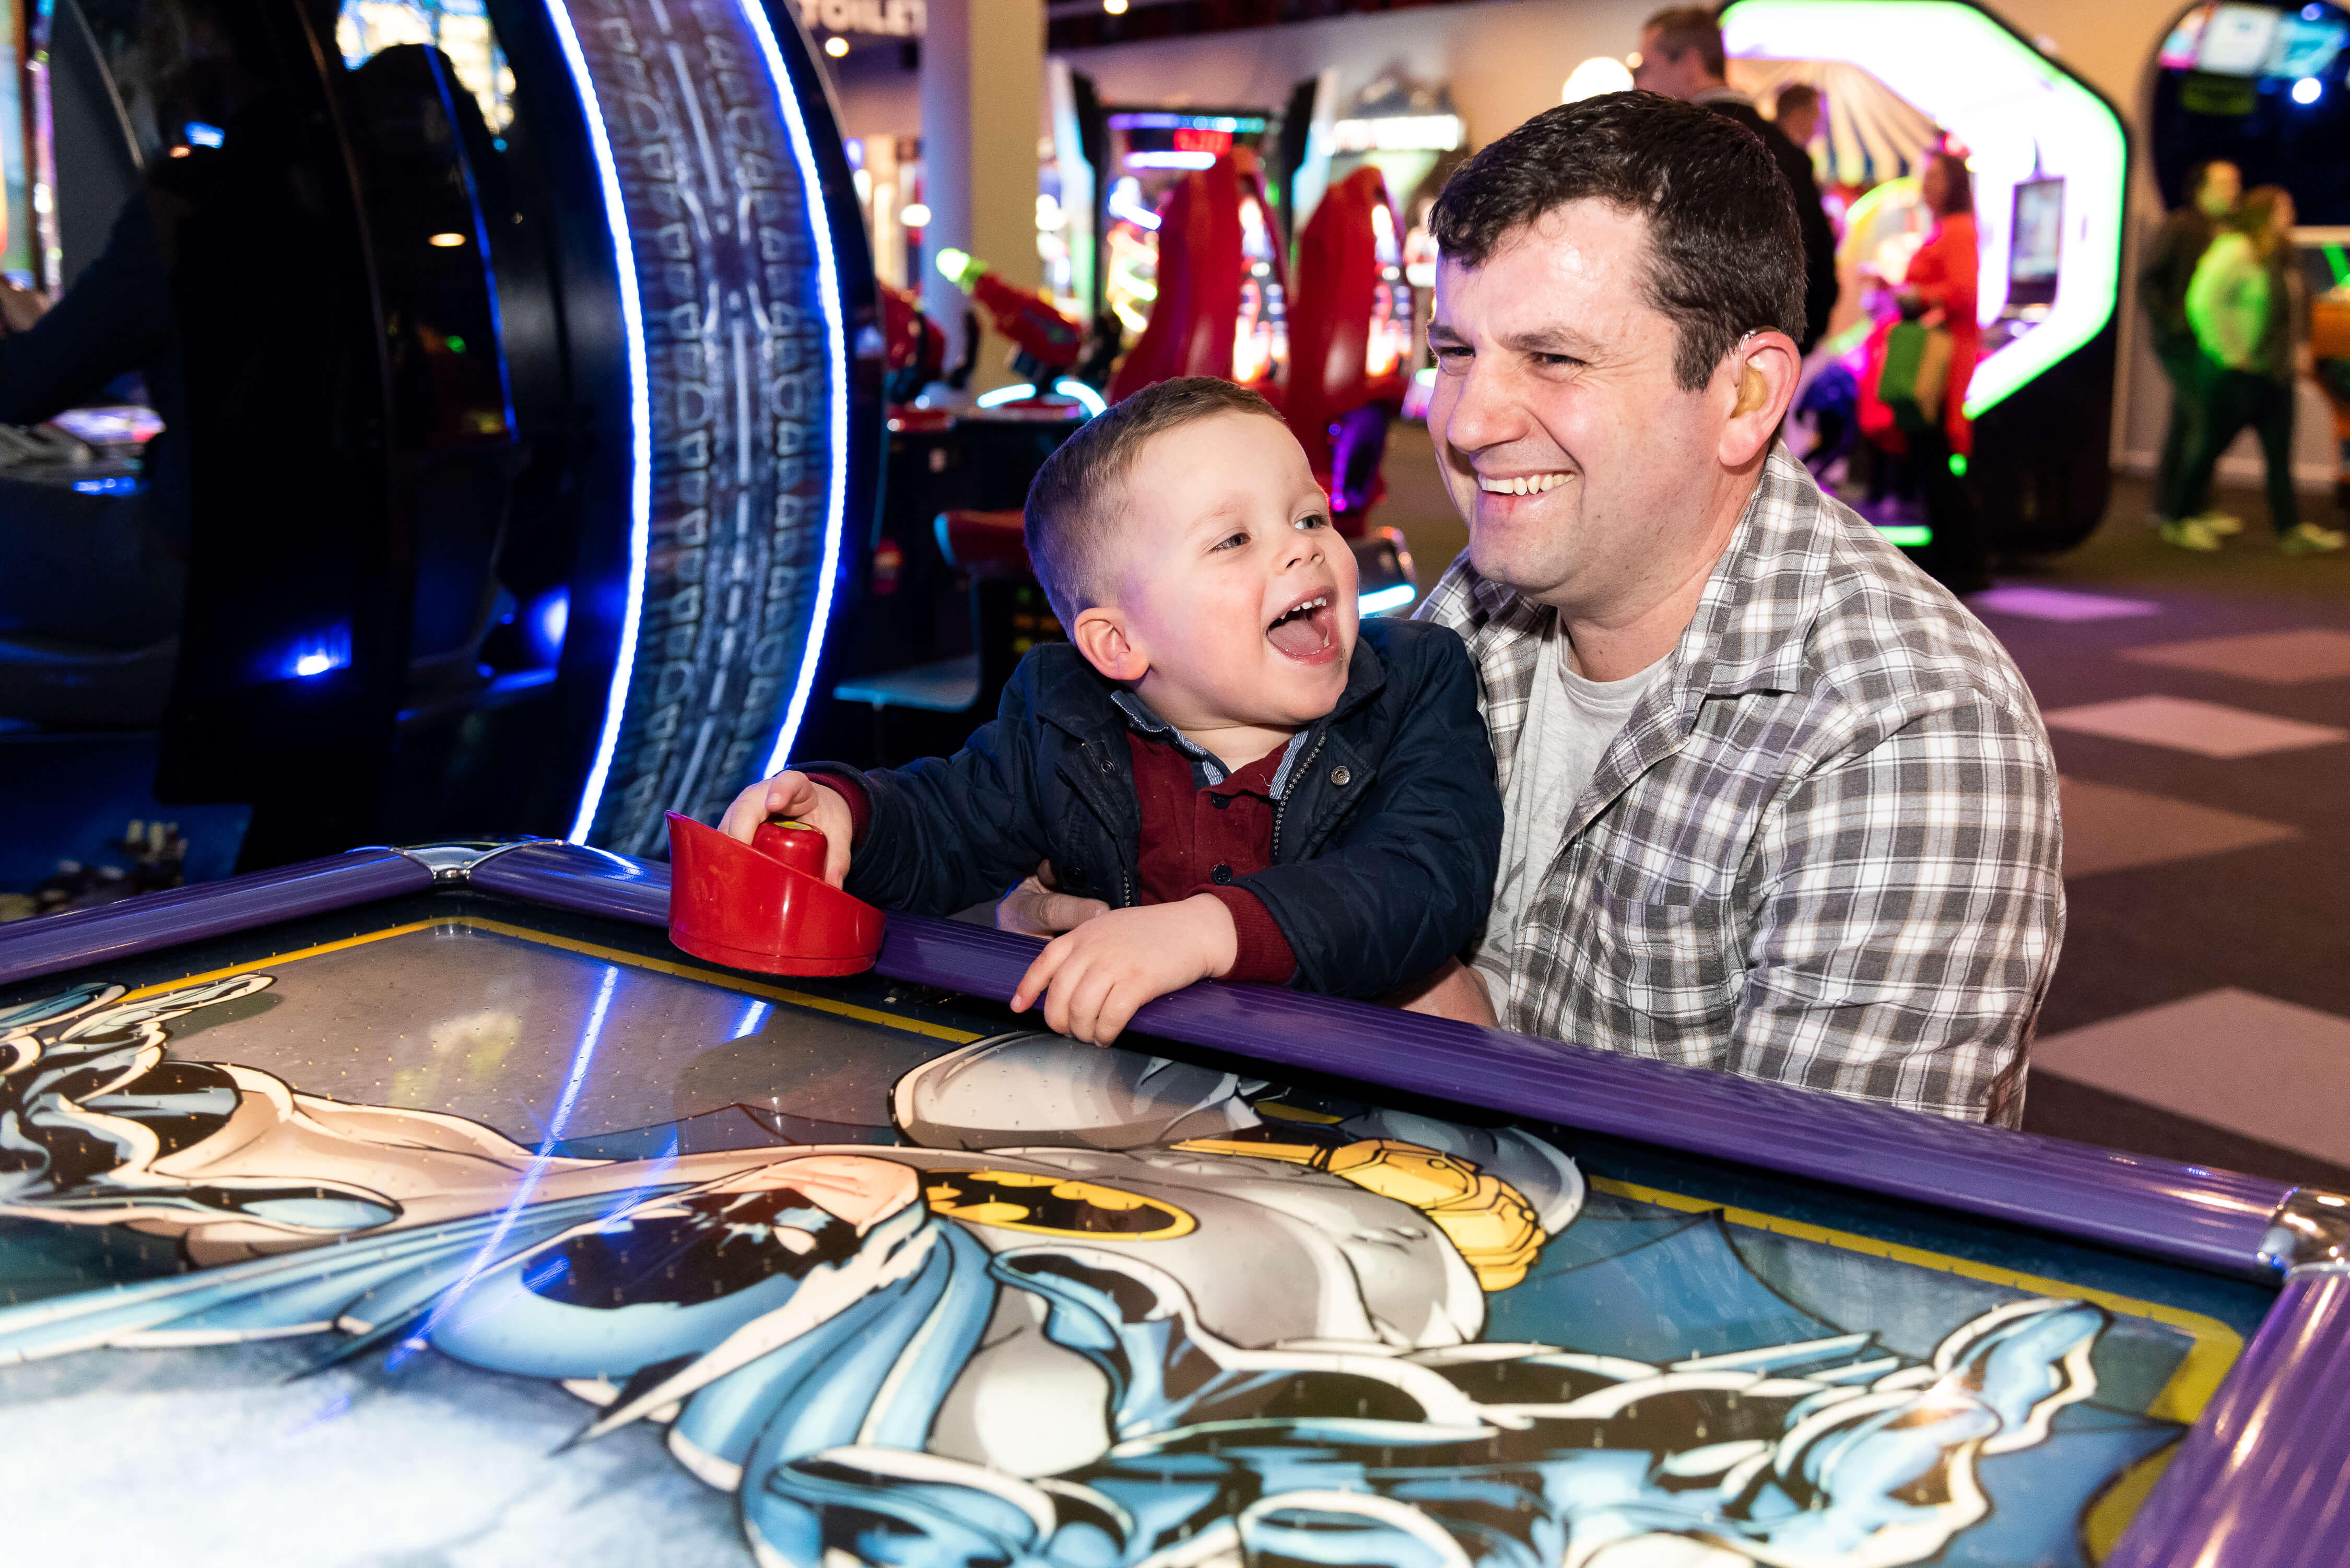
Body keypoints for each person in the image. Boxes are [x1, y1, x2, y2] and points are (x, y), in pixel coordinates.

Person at [1406, 93, 2062, 1126]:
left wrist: (1415, 1009)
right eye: (1455, 352)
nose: (1468, 421)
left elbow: (1813, 1234)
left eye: (1555, 358)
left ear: (1747, 397)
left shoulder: (1906, 718)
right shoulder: (1484, 604)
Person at [719, 377, 1502, 1045]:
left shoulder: (1414, 683)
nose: (1303, 549)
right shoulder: (1064, 717)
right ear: (1118, 642)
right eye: (1233, 539)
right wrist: (847, 813)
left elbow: (1424, 875)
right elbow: (946, 819)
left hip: (1352, 1096)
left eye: (1308, 516)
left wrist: (1203, 930)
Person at [1632, 8, 1840, 354]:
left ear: (1689, 63)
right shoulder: (1787, 149)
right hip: (1774, 363)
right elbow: (1821, 280)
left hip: (1696, 366)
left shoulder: (1673, 150)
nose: (1639, 82)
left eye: (1645, 67)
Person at [2173, 186, 2345, 556]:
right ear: (2264, 213)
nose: (2292, 215)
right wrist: (2230, 351)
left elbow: (2293, 310)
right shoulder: (2236, 250)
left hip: (2275, 373)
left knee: (2280, 457)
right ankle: (2179, 517)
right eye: (2285, 208)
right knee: (2209, 448)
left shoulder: (2282, 254)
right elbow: (2202, 302)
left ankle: (2290, 530)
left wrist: (2299, 351)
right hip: (2236, 373)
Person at [1898, 146, 1989, 591]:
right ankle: (1955, 555)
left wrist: (1917, 295)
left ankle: (1965, 558)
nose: (1926, 184)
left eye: (1935, 176)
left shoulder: (1956, 230)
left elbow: (1963, 292)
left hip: (1943, 360)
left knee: (1939, 457)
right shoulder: (1947, 229)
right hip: (1939, 355)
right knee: (1932, 457)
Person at [2140, 159, 2240, 543]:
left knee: (2188, 420)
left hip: (2205, 342)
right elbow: (2149, 280)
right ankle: (2178, 514)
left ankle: (2184, 506)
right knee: (2202, 416)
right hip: (2179, 342)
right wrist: (2173, 324)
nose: (2234, 190)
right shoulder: (2181, 225)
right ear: (2201, 188)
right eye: (2225, 183)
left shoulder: (2225, 231)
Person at [1773, 81, 1822, 151]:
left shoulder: (1758, 136)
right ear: (1798, 113)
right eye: (1813, 111)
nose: (1818, 115)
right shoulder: (1797, 158)